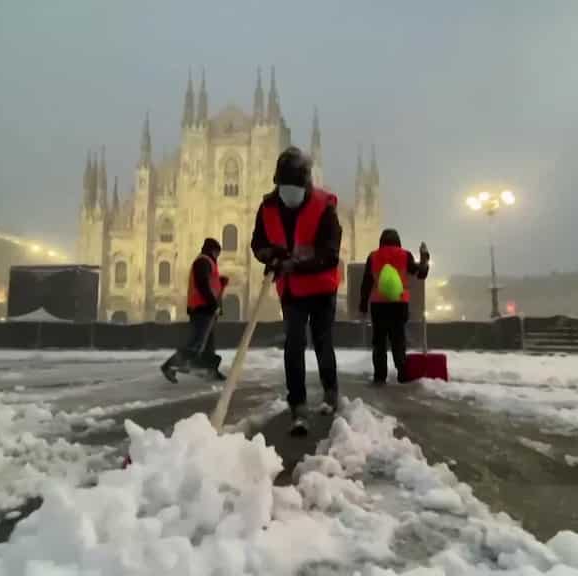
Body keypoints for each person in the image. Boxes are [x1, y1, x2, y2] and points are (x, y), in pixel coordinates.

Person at [251, 146, 343, 435]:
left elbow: (330, 254)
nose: (288, 193)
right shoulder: (267, 208)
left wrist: (297, 265)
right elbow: (257, 243)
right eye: (283, 187)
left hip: (321, 288)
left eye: (294, 187)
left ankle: (330, 392)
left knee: (322, 340)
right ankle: (298, 405)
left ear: (306, 185)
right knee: (293, 345)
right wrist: (270, 254)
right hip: (291, 291)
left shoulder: (324, 208)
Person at [358, 229, 430, 385]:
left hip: (378, 305)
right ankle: (402, 373)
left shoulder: (373, 256)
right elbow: (420, 274)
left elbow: (366, 283)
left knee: (379, 341)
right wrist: (423, 263)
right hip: (399, 304)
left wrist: (363, 305)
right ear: (398, 241)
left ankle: (379, 376)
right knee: (398, 339)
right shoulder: (405, 255)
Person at [160, 238, 229, 383]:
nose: (218, 256)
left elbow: (211, 284)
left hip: (207, 309)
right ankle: (169, 365)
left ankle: (210, 370)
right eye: (217, 253)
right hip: (201, 308)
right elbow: (203, 284)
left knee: (209, 344)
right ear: (214, 251)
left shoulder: (208, 263)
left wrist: (220, 282)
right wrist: (213, 304)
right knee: (197, 342)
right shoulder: (203, 262)